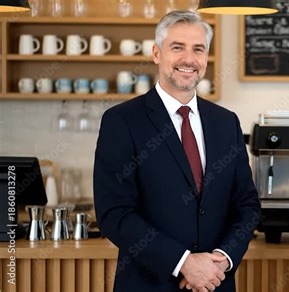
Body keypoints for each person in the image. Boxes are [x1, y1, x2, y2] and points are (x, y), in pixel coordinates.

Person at [93, 10, 260, 292]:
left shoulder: (226, 122)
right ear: (157, 53)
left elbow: (246, 205)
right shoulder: (121, 121)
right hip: (148, 284)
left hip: (214, 283)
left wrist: (222, 260)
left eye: (198, 49)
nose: (189, 59)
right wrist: (183, 263)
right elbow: (114, 214)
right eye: (177, 47)